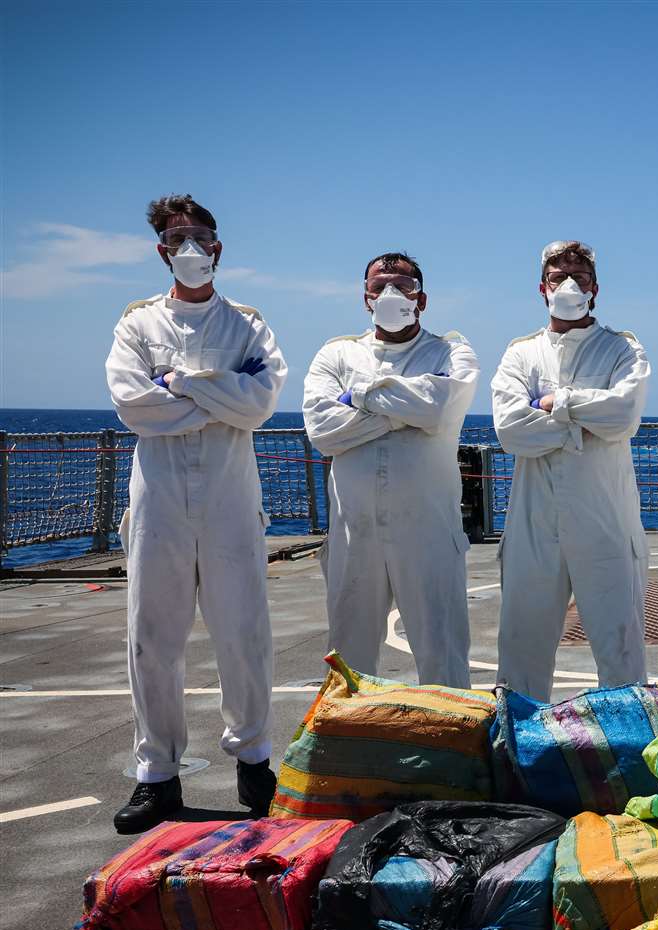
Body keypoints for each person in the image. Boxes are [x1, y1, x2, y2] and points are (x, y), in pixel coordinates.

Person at [104, 194, 287, 833]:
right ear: (162, 250)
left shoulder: (248, 325)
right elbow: (132, 405)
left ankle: (255, 760)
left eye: (200, 236)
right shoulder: (136, 325)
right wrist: (219, 394)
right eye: (177, 237)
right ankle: (157, 775)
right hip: (158, 498)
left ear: (218, 246)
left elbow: (261, 403)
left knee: (244, 631)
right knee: (152, 638)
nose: (190, 247)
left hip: (232, 495)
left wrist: (179, 385)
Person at [302, 252, 478, 687]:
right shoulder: (336, 354)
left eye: (403, 286)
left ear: (422, 298)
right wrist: (408, 409)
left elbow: (440, 407)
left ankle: (452, 748)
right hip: (353, 531)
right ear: (366, 298)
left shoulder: (451, 352)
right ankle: (349, 749)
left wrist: (357, 395)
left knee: (443, 652)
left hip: (429, 531)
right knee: (350, 656)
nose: (391, 294)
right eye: (380, 286)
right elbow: (323, 431)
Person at [493, 240, 650, 701]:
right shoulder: (520, 354)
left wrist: (554, 404)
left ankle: (626, 761)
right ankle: (518, 761)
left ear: (594, 288)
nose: (567, 284)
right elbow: (510, 430)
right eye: (558, 276)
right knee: (521, 651)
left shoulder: (622, 349)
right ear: (541, 287)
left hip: (605, 521)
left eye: (578, 276)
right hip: (533, 524)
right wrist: (582, 425)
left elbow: (623, 416)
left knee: (619, 649)